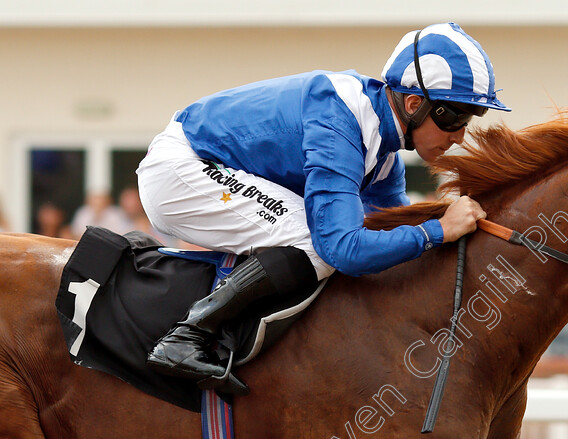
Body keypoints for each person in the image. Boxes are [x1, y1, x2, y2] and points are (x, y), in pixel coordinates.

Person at [135, 22, 509, 390]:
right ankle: (186, 337)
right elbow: (342, 248)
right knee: (318, 244)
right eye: (456, 118)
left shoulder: (383, 155)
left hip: (205, 165)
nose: (460, 136)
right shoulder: (340, 125)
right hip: (181, 170)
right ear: (413, 104)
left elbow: (387, 232)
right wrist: (437, 230)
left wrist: (439, 230)